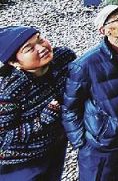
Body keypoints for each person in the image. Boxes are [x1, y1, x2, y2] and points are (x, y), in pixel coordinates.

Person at [62, 0, 118, 181]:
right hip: (102, 145)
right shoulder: (85, 65)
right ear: (103, 30)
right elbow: (69, 108)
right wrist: (81, 143)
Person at [0, 26, 76, 180]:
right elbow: (4, 136)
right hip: (21, 161)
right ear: (14, 63)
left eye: (40, 39)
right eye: (29, 49)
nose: (41, 47)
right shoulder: (9, 92)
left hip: (54, 146)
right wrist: (41, 120)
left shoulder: (63, 58)